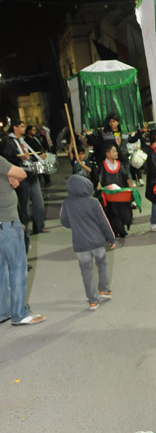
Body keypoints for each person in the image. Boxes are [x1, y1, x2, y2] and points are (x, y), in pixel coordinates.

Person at [0, 154, 46, 325]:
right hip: (7, 223)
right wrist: (12, 176)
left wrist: (8, 177)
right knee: (17, 268)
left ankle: (2, 311)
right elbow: (22, 173)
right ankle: (19, 313)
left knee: (1, 270)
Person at [60, 175, 115, 310]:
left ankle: (92, 301)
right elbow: (103, 221)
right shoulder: (94, 202)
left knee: (86, 271)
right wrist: (111, 238)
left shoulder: (66, 203)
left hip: (80, 244)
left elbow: (64, 221)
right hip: (97, 242)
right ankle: (104, 290)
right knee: (102, 263)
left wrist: (75, 225)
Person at [0, 118, 49, 235]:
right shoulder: (8, 142)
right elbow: (7, 160)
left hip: (31, 173)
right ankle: (25, 232)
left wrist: (35, 158)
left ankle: (39, 226)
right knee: (24, 207)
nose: (24, 128)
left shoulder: (23, 140)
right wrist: (19, 158)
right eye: (21, 126)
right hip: (20, 176)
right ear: (15, 127)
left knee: (39, 202)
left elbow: (28, 157)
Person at [98, 143, 134, 238]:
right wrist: (99, 184)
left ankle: (121, 230)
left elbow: (125, 175)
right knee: (112, 212)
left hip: (119, 193)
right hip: (109, 194)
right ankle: (113, 231)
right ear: (107, 154)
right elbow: (100, 176)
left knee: (121, 211)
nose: (116, 153)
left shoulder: (119, 164)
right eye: (114, 151)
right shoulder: (103, 165)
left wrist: (130, 183)